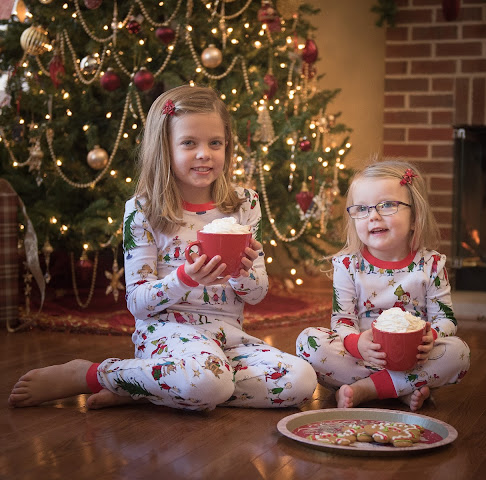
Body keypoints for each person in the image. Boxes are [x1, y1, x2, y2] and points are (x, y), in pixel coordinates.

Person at [9, 85, 317, 411]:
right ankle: (91, 375)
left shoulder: (244, 204)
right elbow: (138, 304)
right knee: (208, 378)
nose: (204, 154)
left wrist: (243, 273)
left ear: (227, 145)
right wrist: (185, 278)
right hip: (166, 334)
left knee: (299, 380)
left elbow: (255, 295)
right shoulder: (143, 210)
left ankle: (145, 384)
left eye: (215, 143)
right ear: (164, 148)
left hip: (227, 337)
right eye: (189, 143)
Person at [296, 159, 470, 411]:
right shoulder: (347, 265)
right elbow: (342, 321)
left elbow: (447, 320)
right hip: (363, 357)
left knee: (459, 353)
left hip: (413, 360)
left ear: (414, 217)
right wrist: (357, 344)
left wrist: (430, 338)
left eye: (387, 205)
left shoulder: (431, 265)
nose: (374, 216)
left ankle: (368, 389)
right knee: (308, 341)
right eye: (362, 209)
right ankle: (399, 388)